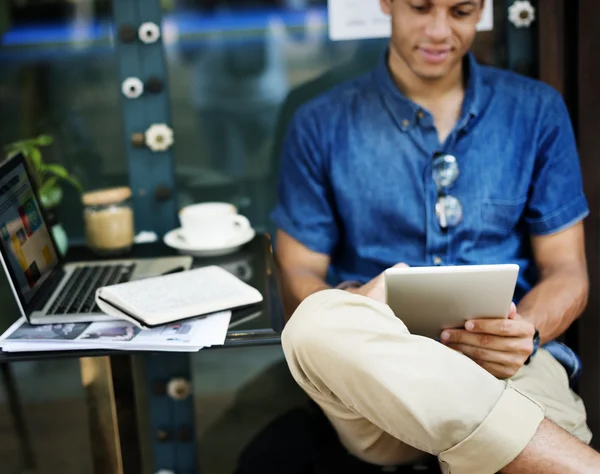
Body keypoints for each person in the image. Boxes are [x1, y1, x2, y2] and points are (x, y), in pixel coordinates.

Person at [269, 0, 600, 472]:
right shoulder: (319, 121)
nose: (440, 31)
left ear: (483, 7)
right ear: (386, 3)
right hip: (375, 370)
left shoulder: (536, 111)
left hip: (508, 368)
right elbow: (297, 270)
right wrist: (355, 303)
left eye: (461, 12)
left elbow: (569, 272)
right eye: (421, 8)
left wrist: (524, 330)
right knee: (312, 325)